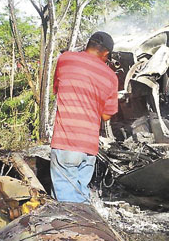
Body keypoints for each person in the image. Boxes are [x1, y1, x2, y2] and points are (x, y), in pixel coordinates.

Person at [50, 31, 118, 203]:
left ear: (88, 44)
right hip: (89, 148)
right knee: (80, 198)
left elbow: (56, 89)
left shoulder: (66, 59)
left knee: (66, 204)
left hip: (66, 143)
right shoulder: (111, 76)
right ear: (106, 53)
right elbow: (106, 115)